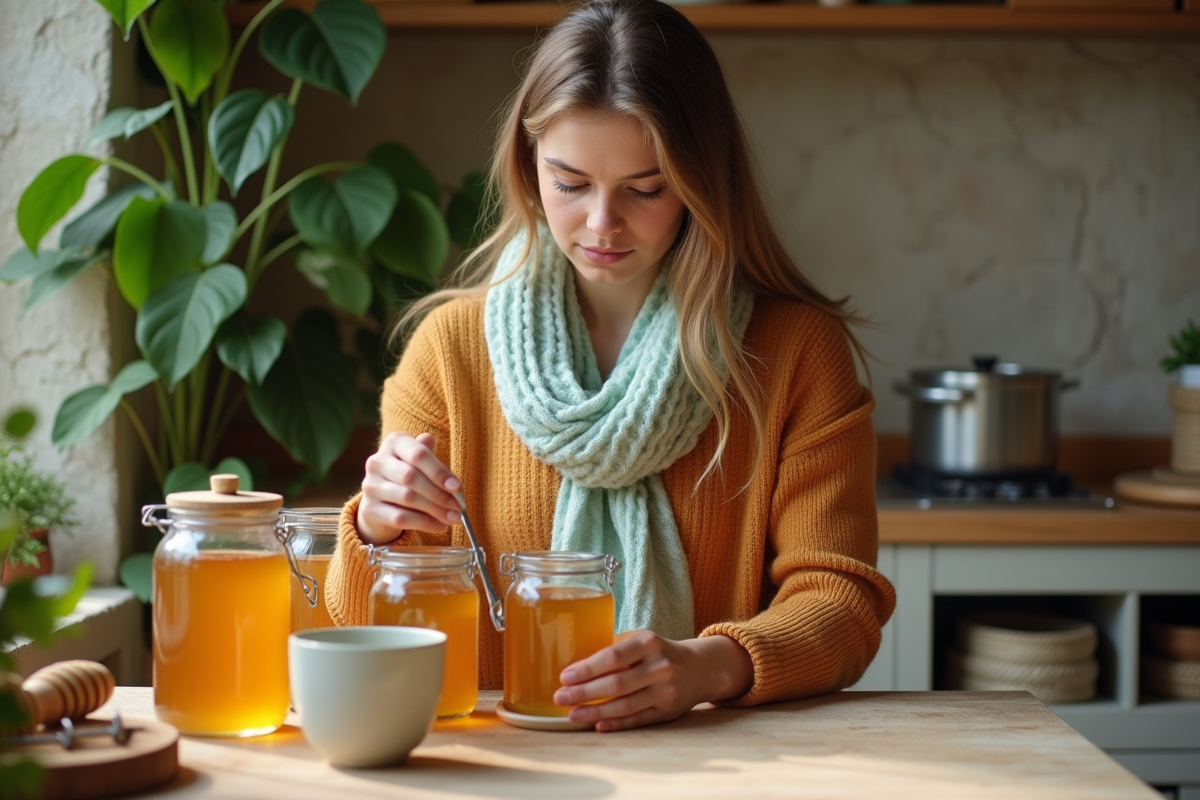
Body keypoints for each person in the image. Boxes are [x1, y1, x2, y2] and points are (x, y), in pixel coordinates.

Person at [325, 0, 896, 732]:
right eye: (570, 183)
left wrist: (707, 667)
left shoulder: (797, 354)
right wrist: (375, 528)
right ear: (529, 169)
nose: (601, 224)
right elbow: (361, 621)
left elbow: (843, 605)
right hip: (501, 770)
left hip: (721, 770)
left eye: (645, 188)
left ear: (700, 181)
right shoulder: (450, 350)